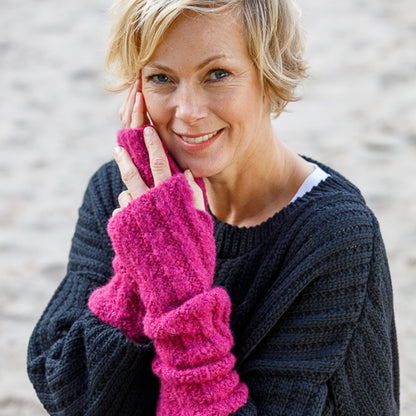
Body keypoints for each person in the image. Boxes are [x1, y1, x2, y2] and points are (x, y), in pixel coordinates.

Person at [27, 0, 399, 415]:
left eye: (217, 74)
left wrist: (180, 299)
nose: (189, 112)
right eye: (162, 78)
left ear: (269, 72)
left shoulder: (335, 235)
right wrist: (140, 269)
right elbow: (65, 389)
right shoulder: (120, 192)